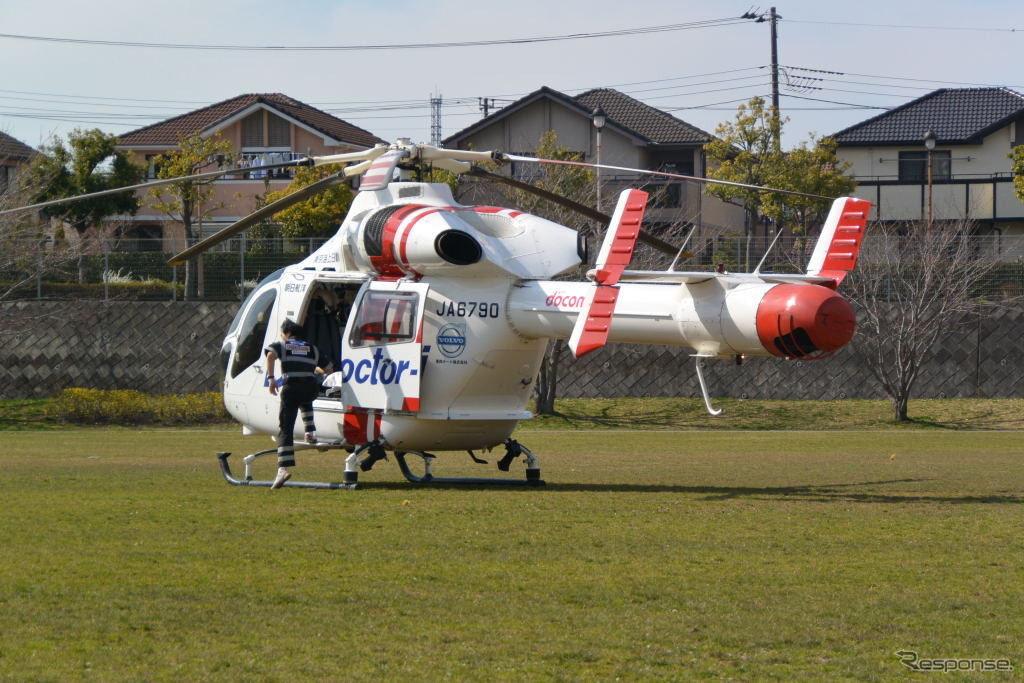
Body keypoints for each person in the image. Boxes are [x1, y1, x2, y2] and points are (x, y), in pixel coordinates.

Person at [265, 319, 326, 489]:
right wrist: (311, 369)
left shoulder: (283, 345)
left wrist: (271, 379)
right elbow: (327, 367)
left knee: (286, 428)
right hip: (311, 387)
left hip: (292, 387)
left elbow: (270, 355)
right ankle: (310, 433)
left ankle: (282, 469)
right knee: (305, 401)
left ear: (287, 333)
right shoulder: (312, 348)